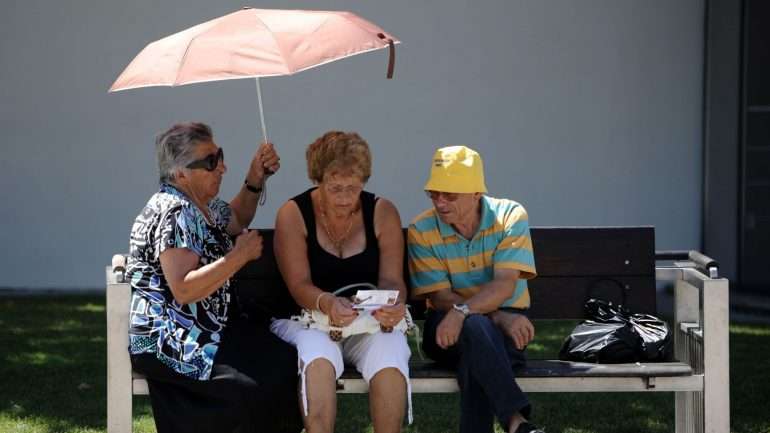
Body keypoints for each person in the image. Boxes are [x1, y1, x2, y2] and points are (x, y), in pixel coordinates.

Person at [126, 122, 302, 433]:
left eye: (219, 156)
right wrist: (237, 258)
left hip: (206, 327)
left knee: (282, 359)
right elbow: (183, 288)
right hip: (175, 338)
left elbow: (237, 217)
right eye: (210, 162)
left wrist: (255, 178)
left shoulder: (200, 206)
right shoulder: (175, 213)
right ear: (181, 174)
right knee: (257, 380)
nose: (222, 167)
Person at [270, 131, 411, 433]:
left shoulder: (382, 211)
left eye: (354, 188)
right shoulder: (293, 214)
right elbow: (299, 285)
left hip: (366, 321)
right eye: (335, 188)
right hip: (307, 319)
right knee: (319, 355)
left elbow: (392, 279)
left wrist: (394, 304)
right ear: (317, 180)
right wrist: (328, 303)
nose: (345, 198)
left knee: (391, 348)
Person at [407, 145, 544, 433]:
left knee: (475, 352)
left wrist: (465, 312)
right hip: (446, 328)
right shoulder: (422, 229)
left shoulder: (510, 215)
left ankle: (515, 423)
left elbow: (505, 283)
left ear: (476, 193)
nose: (440, 203)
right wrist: (493, 316)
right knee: (477, 329)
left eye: (450, 195)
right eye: (434, 194)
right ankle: (515, 420)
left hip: (501, 335)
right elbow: (440, 296)